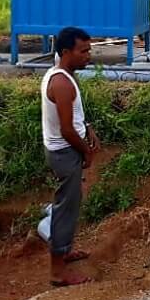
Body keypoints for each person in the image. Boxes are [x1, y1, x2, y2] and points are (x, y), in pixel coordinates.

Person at [41, 26, 99, 286]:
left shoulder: (63, 75)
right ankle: (57, 271)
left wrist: (87, 128)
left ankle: (64, 252)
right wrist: (86, 151)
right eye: (83, 51)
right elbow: (66, 129)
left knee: (70, 205)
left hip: (66, 149)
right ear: (66, 52)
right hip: (65, 152)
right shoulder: (62, 83)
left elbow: (73, 117)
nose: (88, 55)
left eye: (89, 50)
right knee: (65, 208)